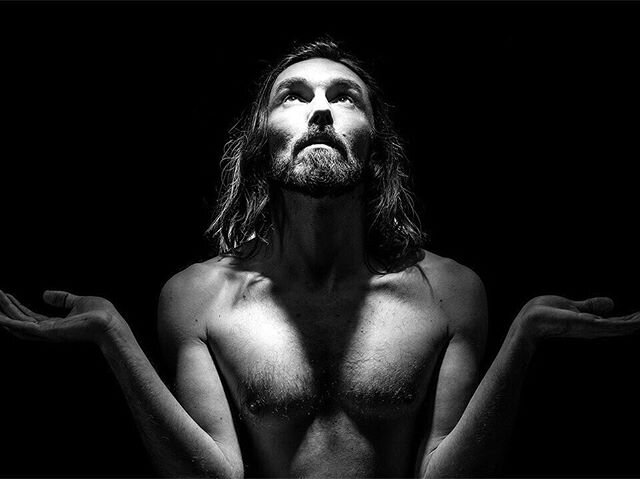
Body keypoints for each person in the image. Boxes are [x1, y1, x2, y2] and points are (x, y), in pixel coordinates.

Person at [1, 38, 639, 478]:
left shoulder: (449, 291)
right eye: (294, 96)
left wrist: (524, 338)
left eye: (345, 96)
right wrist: (113, 336)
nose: (322, 110)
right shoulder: (197, 298)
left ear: (376, 146)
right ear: (261, 142)